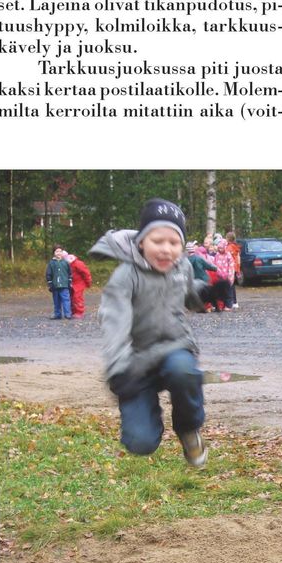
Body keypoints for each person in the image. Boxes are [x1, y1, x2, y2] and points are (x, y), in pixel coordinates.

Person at [92, 199, 214, 467]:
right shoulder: (126, 276)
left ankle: (188, 429)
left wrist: (203, 292)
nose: (166, 250)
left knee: (183, 370)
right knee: (140, 443)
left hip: (175, 347)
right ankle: (147, 424)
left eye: (174, 243)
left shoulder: (182, 267)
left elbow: (186, 292)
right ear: (141, 242)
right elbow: (115, 323)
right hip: (136, 363)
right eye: (158, 241)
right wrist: (118, 368)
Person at [45, 246, 72, 319]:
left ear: (62, 252)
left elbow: (70, 273)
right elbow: (48, 274)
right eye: (57, 251)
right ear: (54, 253)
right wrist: (50, 283)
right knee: (56, 301)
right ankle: (57, 314)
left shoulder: (66, 262)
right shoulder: (51, 263)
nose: (58, 253)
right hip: (55, 285)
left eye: (60, 251)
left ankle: (68, 314)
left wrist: (69, 282)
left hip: (64, 285)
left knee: (66, 300)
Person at [66, 251, 93, 318]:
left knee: (77, 298)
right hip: (71, 284)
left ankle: (79, 312)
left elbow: (86, 273)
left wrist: (88, 282)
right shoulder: (66, 264)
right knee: (71, 298)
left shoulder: (78, 263)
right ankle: (73, 311)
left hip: (79, 284)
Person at [224, 232, 242, 308]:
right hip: (235, 267)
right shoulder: (235, 247)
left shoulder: (229, 247)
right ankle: (234, 301)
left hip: (231, 268)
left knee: (230, 285)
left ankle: (231, 301)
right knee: (232, 285)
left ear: (228, 238)